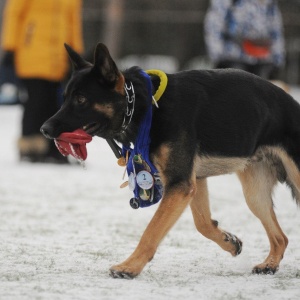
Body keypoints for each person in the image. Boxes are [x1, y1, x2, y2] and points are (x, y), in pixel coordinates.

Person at [1, 0, 84, 163]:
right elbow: (13, 14)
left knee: (55, 104)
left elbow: (73, 20)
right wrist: (10, 46)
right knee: (36, 101)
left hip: (58, 59)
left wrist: (76, 53)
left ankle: (54, 148)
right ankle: (31, 147)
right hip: (31, 54)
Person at [204, 0, 285, 80]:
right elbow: (214, 26)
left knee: (260, 91)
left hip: (263, 60)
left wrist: (277, 59)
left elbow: (276, 31)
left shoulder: (270, 3)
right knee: (236, 89)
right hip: (233, 58)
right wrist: (217, 56)